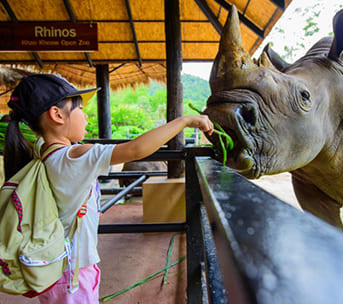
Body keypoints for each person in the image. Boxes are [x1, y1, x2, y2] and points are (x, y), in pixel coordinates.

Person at [4, 73, 213, 304]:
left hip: (56, 268)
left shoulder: (44, 154)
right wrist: (185, 121)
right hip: (74, 272)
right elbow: (135, 149)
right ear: (56, 115)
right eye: (79, 108)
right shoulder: (76, 155)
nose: (85, 115)